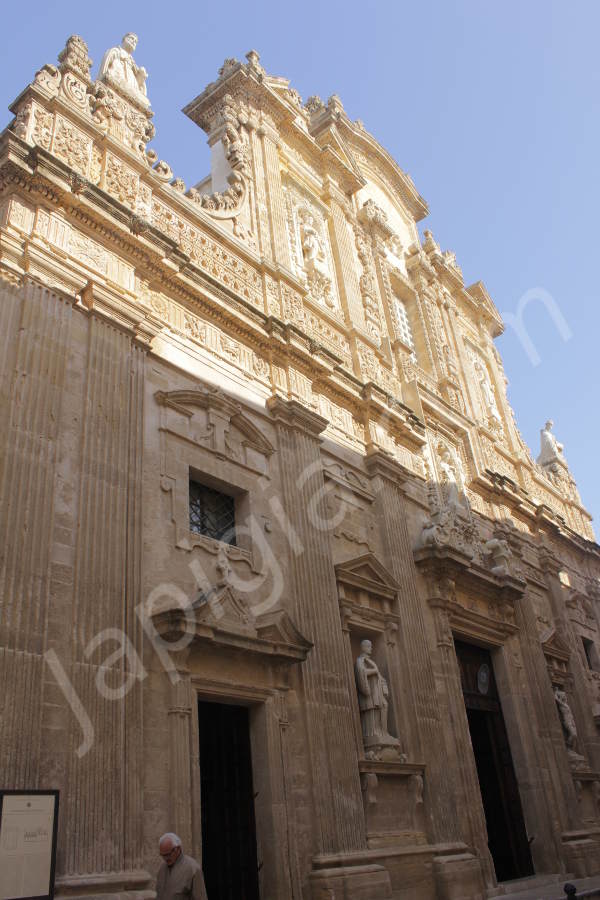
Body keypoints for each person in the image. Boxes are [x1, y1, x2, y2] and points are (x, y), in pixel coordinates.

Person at [98, 33, 149, 108]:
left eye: (135, 41)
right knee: (116, 64)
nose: (133, 42)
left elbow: (140, 84)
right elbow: (105, 66)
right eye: (132, 38)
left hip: (130, 82)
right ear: (124, 39)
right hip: (117, 76)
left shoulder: (133, 63)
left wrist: (141, 76)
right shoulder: (116, 51)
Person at [156, 832, 208, 900]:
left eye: (168, 854)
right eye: (163, 855)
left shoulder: (193, 869)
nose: (165, 858)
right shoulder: (162, 868)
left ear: (178, 849)